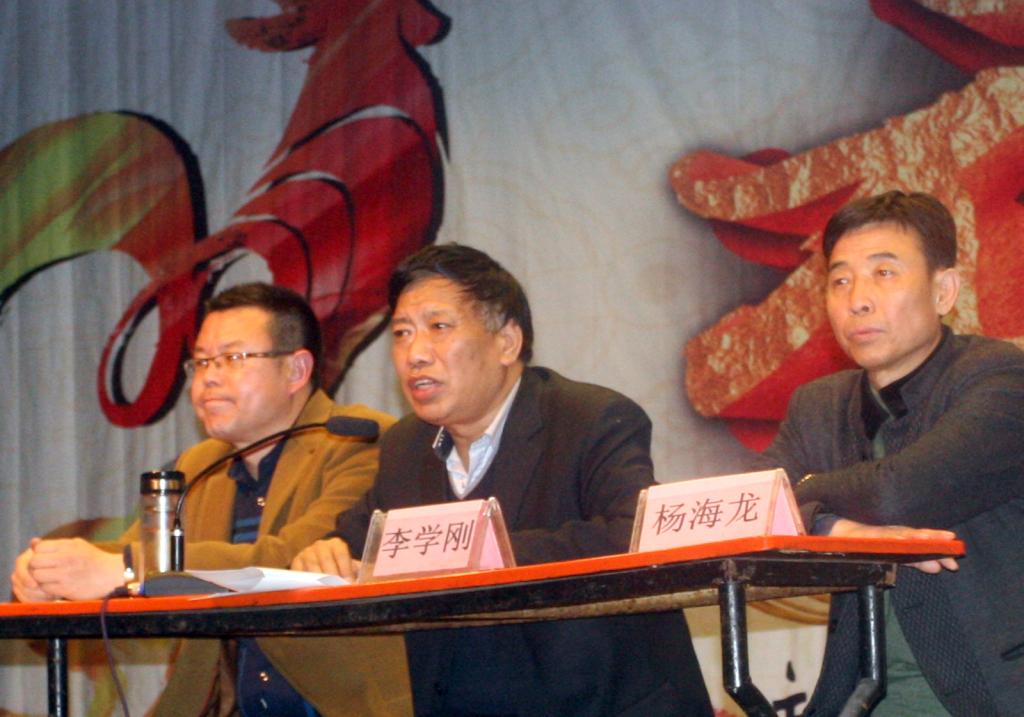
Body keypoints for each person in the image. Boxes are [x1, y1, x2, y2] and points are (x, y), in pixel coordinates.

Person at [293, 244, 713, 716]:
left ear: (507, 342)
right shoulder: (405, 447)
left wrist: (476, 551)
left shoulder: (591, 419)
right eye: (402, 333)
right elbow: (358, 540)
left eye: (439, 327)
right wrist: (325, 552)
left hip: (601, 704)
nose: (415, 354)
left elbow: (636, 535)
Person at [11, 282, 412, 717]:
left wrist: (124, 568)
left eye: (232, 359)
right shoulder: (200, 465)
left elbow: (294, 561)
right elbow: (133, 552)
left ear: (296, 370)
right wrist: (49, 572)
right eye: (201, 362)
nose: (209, 378)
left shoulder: (358, 439)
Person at [759, 191, 1024, 715]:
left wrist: (805, 494)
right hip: (861, 693)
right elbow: (746, 506)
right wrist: (832, 529)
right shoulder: (818, 404)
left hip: (993, 691)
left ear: (944, 291)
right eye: (840, 280)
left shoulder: (999, 377)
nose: (857, 299)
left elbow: (899, 492)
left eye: (884, 273)